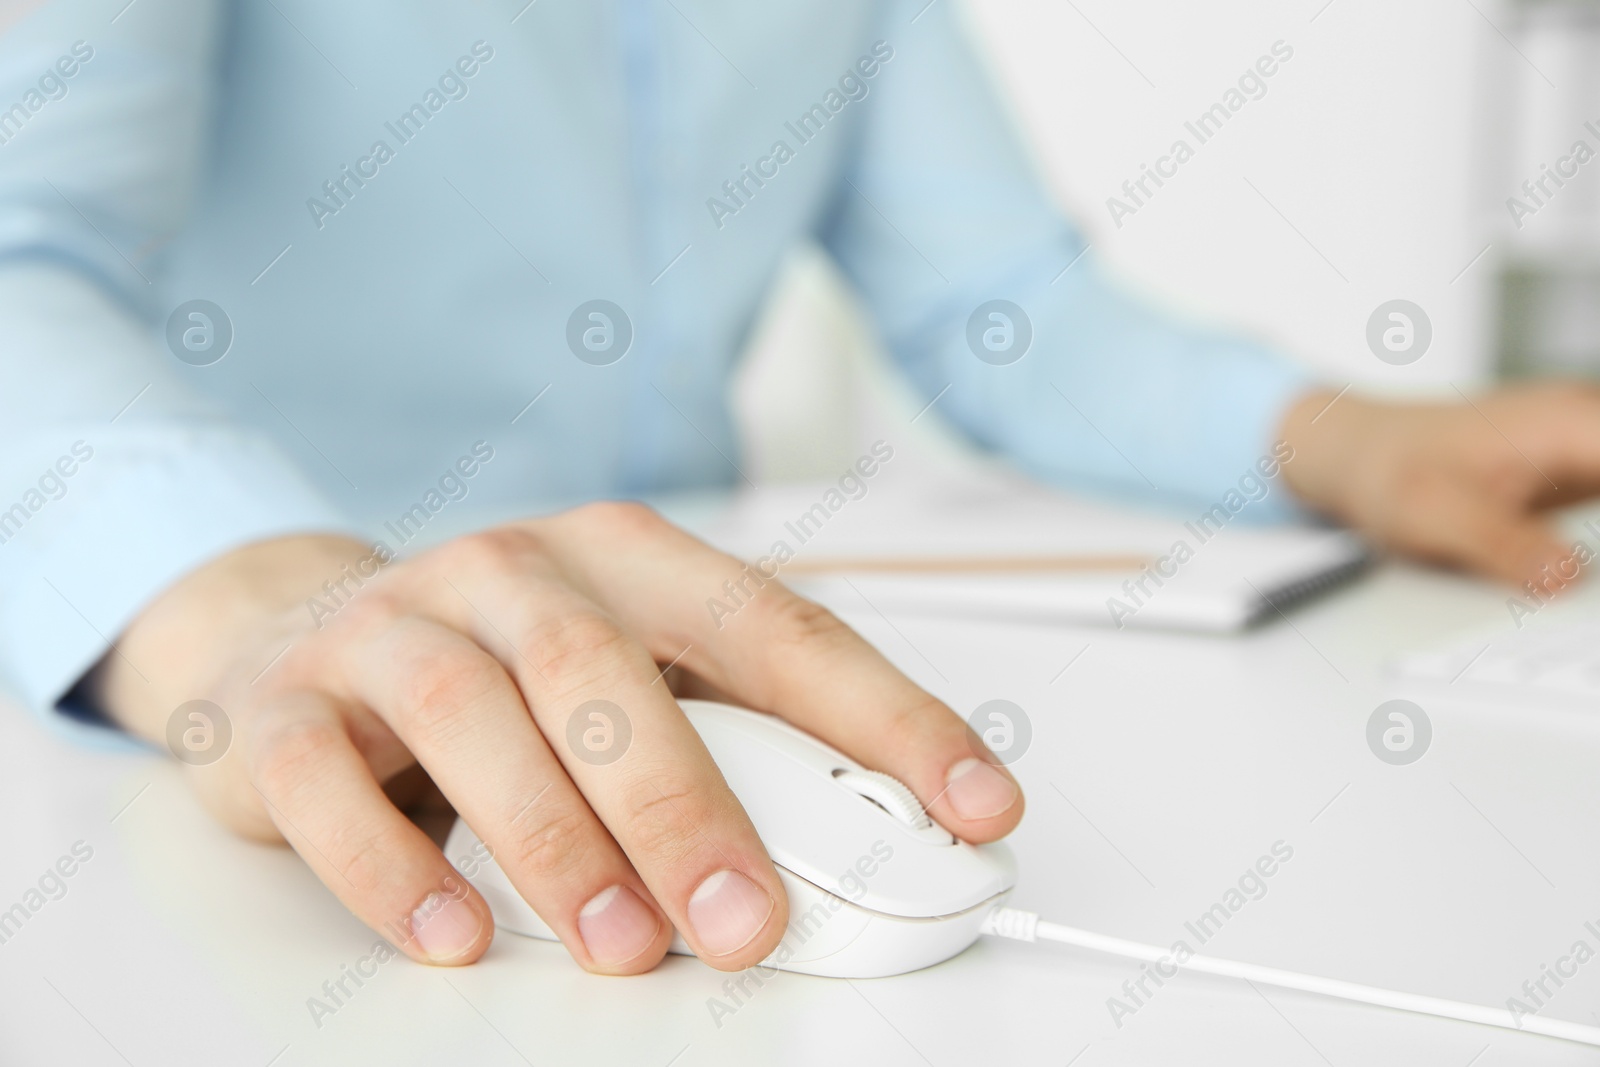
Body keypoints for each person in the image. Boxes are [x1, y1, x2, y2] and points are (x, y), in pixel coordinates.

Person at [2, 0, 1596, 976]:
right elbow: (21, 250)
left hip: (684, 676)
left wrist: (1347, 439)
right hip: (220, 719)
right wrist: (254, 604)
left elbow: (1009, 306)